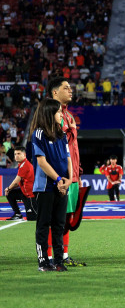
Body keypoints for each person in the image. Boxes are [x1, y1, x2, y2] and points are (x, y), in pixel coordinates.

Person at [29, 99, 72, 272]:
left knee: (59, 224)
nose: (62, 114)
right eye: (59, 112)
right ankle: (43, 262)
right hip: (45, 187)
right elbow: (41, 161)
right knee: (43, 224)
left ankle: (59, 261)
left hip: (62, 185)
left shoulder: (62, 134)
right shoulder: (38, 134)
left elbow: (68, 158)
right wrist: (58, 180)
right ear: (49, 113)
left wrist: (69, 179)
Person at [46, 77, 85, 266]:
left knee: (67, 216)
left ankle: (63, 254)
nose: (71, 91)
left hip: (73, 174)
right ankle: (50, 256)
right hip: (58, 174)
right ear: (55, 92)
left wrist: (76, 169)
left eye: (71, 87)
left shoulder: (69, 116)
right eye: (66, 88)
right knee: (54, 217)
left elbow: (72, 147)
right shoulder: (50, 115)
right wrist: (59, 175)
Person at [4, 146, 35, 221]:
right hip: (24, 193)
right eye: (15, 154)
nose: (16, 156)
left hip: (30, 195)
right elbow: (19, 182)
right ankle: (17, 214)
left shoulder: (25, 165)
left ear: (24, 155)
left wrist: (8, 188)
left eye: (19, 154)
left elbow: (16, 181)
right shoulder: (21, 164)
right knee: (10, 193)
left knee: (32, 218)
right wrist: (9, 190)